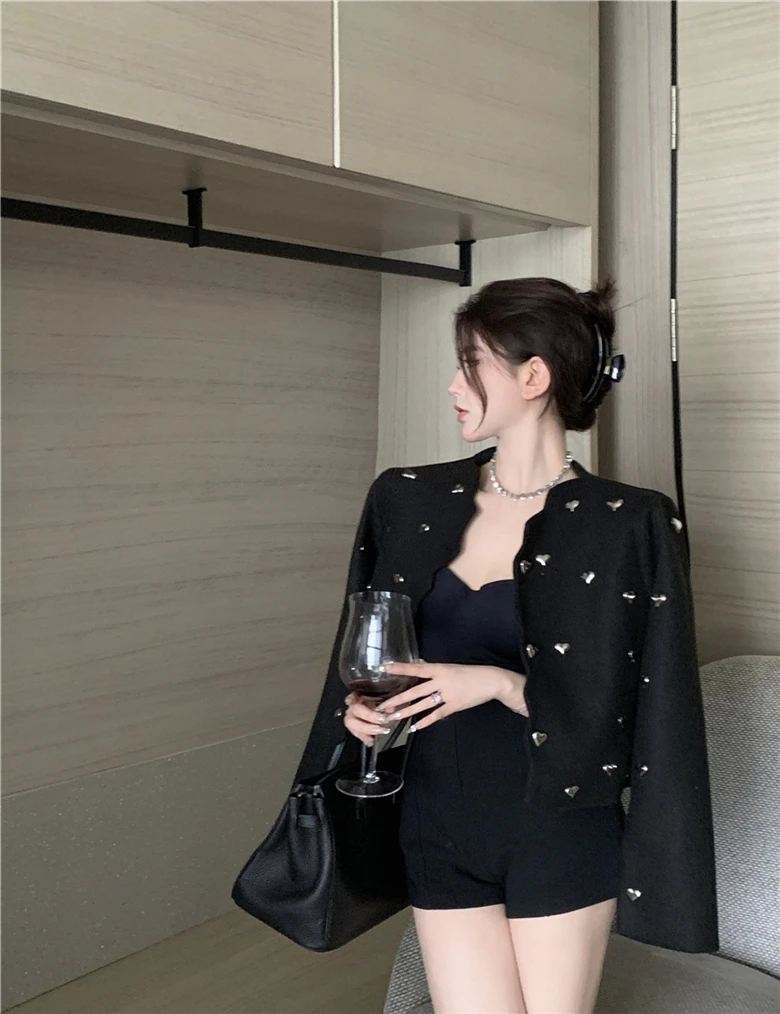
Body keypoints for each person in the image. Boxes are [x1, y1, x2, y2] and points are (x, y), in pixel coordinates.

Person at [291, 277, 719, 1014]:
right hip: (435, 818)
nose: (452, 385)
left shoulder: (630, 524)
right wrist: (362, 717)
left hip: (560, 826)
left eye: (471, 365)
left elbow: (648, 721)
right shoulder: (406, 498)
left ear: (533, 375)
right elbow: (368, 656)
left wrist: (495, 683)